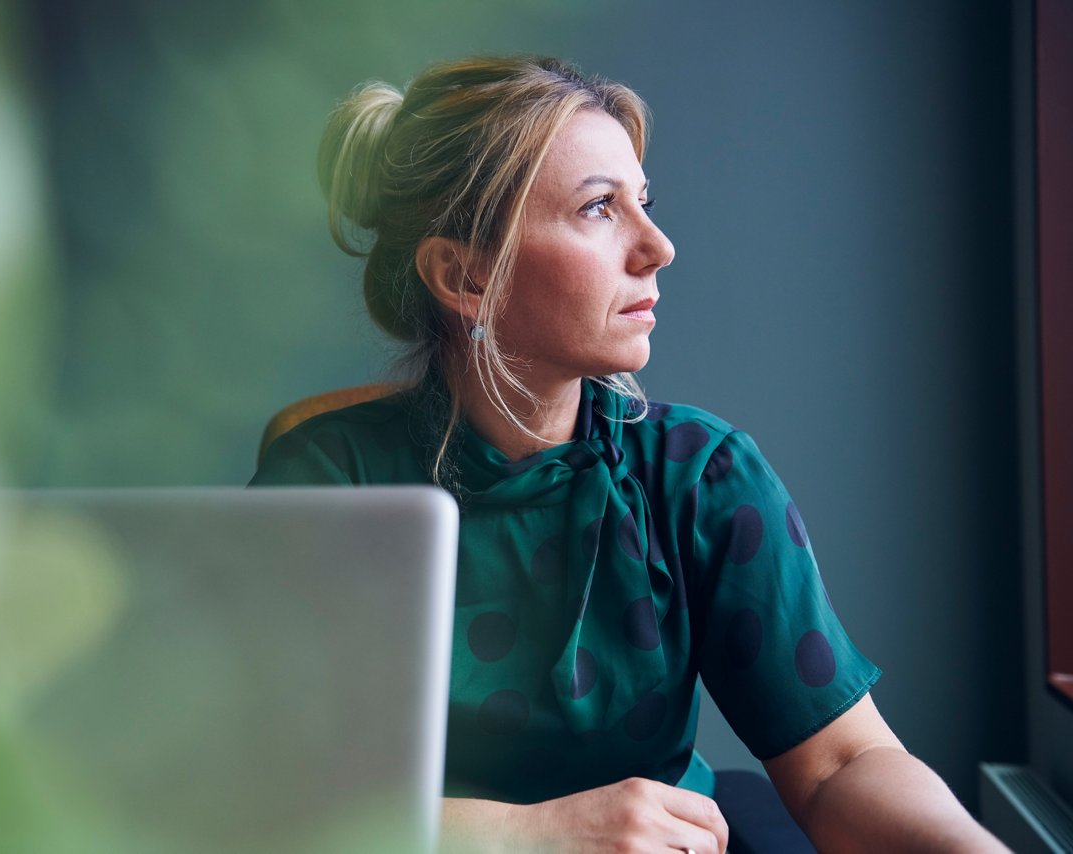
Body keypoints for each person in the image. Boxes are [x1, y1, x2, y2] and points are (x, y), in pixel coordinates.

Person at [250, 55, 1004, 853]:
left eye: (643, 202)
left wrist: (971, 849)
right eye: (600, 208)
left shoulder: (702, 477)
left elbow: (838, 764)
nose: (659, 247)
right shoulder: (326, 486)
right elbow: (253, 797)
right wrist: (531, 834)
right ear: (465, 275)